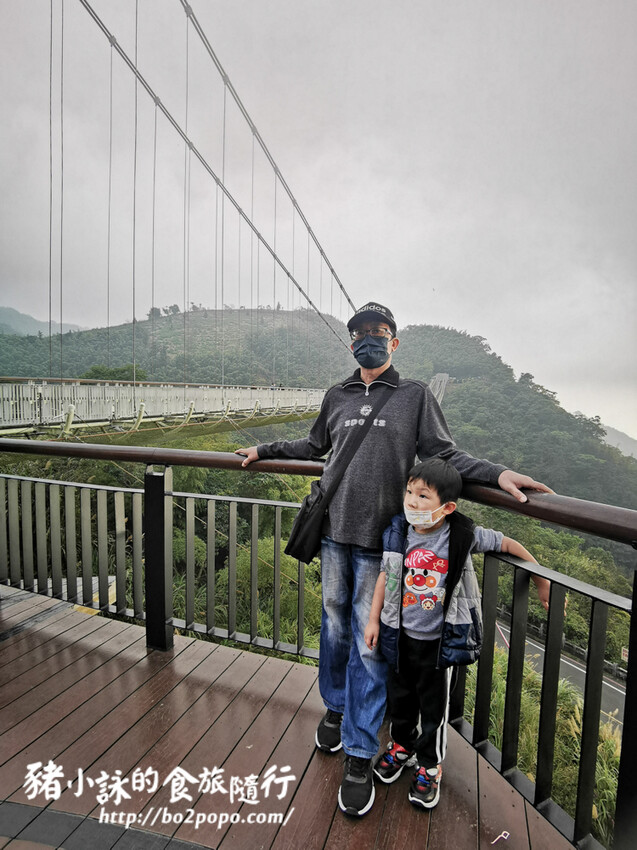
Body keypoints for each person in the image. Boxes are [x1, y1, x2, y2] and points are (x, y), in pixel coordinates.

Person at [236, 301, 552, 817]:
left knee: (368, 645)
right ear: (351, 342)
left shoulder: (414, 396)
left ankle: (360, 752)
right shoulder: (337, 395)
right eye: (359, 333)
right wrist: (264, 450)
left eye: (378, 332)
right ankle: (337, 708)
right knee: (334, 627)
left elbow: (444, 455)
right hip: (333, 533)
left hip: (382, 545)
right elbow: (314, 446)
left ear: (394, 342)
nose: (368, 339)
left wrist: (497, 474)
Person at [364, 456, 549, 811]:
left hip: (438, 645)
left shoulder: (460, 536)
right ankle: (401, 746)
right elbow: (385, 578)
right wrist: (374, 620)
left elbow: (505, 543)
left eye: (423, 496)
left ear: (447, 507)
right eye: (409, 493)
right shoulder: (398, 533)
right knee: (400, 698)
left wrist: (540, 577)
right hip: (399, 638)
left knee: (433, 709)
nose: (412, 502)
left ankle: (430, 766)